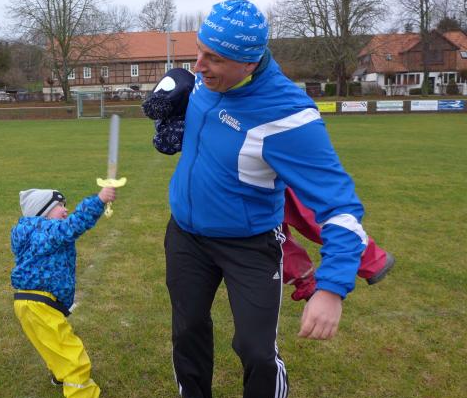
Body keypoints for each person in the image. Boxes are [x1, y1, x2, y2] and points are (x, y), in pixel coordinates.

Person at [158, 0, 371, 398]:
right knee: (187, 332)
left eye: (214, 58)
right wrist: (171, 114)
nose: (198, 66)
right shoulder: (205, 81)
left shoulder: (289, 116)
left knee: (256, 351)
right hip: (186, 236)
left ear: (249, 63)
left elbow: (340, 206)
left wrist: (331, 288)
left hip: (249, 244)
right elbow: (195, 108)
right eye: (199, 51)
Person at [143, 69, 395, 303]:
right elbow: (168, 140)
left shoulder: (217, 84)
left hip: (259, 170)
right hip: (229, 187)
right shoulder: (198, 98)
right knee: (275, 237)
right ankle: (312, 279)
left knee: (307, 217)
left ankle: (370, 258)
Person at [10, 187, 119, 398]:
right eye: (59, 205)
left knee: (52, 344)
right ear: (43, 212)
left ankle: (59, 375)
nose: (65, 210)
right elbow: (73, 226)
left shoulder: (31, 232)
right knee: (72, 355)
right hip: (40, 303)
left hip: (29, 302)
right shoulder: (45, 231)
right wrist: (99, 201)